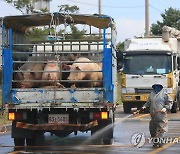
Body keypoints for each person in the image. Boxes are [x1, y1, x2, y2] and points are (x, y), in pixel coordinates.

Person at [142, 83, 173, 148]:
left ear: (161, 87)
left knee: (161, 129)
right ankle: (156, 142)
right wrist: (144, 106)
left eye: (158, 86)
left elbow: (170, 102)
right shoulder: (151, 94)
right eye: (155, 87)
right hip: (153, 115)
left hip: (161, 115)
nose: (157, 88)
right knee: (153, 130)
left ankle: (160, 142)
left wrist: (166, 108)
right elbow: (148, 103)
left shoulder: (165, 94)